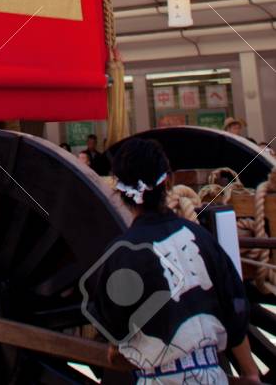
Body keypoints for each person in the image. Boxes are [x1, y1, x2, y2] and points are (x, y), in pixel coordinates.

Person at [83, 137, 258, 383]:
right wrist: (250, 372)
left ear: (119, 192)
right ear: (168, 181)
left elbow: (115, 335)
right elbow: (235, 311)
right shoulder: (201, 239)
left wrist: (115, 351)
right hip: (210, 375)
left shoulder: (121, 255)